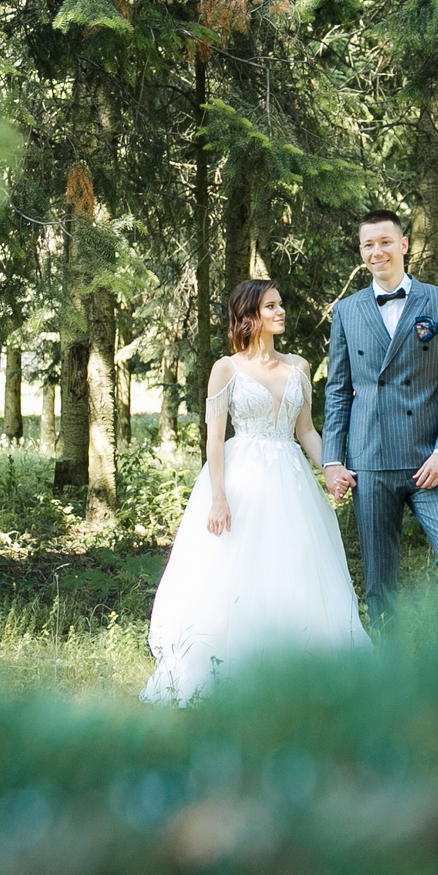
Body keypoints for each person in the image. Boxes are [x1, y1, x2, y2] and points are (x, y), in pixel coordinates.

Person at [142, 279, 369, 702]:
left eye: (280, 304)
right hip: (242, 478)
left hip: (291, 480)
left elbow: (307, 432)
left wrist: (332, 470)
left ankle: (300, 671)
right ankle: (232, 667)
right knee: (236, 571)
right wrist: (218, 497)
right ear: (249, 316)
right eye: (270, 306)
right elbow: (213, 440)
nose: (281, 311)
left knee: (295, 567)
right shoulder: (226, 368)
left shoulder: (299, 366)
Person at [321, 209, 438, 644]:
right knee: (379, 580)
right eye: (368, 244)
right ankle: (390, 674)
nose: (377, 251)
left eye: (385, 242)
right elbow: (337, 390)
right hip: (370, 461)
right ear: (361, 251)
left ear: (404, 245)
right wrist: (333, 460)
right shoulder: (347, 311)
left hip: (430, 460)